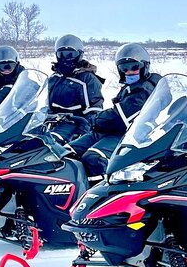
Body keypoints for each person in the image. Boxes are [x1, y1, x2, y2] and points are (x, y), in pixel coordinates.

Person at [68, 43, 161, 183]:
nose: (129, 72)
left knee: (94, 158)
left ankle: (95, 194)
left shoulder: (144, 89)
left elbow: (120, 117)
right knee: (68, 151)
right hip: (112, 131)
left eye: (134, 67)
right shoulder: (132, 86)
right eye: (124, 68)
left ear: (144, 66)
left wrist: (96, 119)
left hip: (129, 135)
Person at [47, 34, 105, 143]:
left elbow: (94, 109)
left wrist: (84, 131)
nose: (65, 58)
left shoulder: (87, 78)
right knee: (30, 141)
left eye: (70, 54)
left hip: (74, 124)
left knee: (51, 142)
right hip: (51, 122)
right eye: (62, 54)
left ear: (79, 55)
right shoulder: (55, 77)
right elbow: (48, 104)